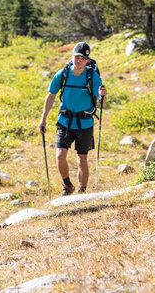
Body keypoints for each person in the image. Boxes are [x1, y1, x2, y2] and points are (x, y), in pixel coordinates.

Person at [37, 42, 107, 195]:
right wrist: (43, 119)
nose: (79, 60)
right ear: (72, 57)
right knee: (60, 155)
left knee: (82, 159)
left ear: (87, 60)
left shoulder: (92, 76)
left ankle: (81, 193)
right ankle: (67, 186)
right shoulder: (63, 74)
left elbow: (101, 98)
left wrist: (102, 96)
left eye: (82, 58)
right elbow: (51, 95)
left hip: (85, 123)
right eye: (77, 57)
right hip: (65, 122)